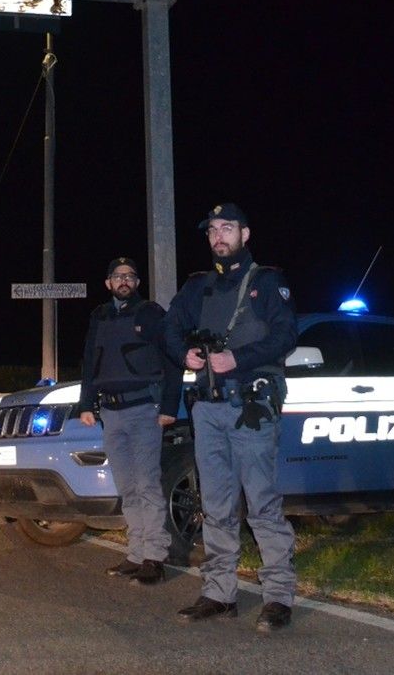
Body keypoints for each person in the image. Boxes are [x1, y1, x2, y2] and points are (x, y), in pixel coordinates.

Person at [163, 202, 298, 632]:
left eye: (227, 228)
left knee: (262, 504)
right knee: (215, 505)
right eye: (212, 231)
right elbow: (169, 326)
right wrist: (180, 350)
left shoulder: (266, 282)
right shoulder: (197, 288)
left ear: (245, 234)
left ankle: (278, 596)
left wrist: (236, 359)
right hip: (207, 409)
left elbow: (286, 336)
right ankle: (220, 593)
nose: (218, 236)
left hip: (249, 409)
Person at [76, 257, 175, 585]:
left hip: (144, 409)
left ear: (136, 283)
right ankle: (136, 554)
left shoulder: (151, 313)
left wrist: (169, 405)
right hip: (111, 414)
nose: (124, 280)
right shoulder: (99, 316)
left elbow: (172, 357)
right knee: (127, 487)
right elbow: (90, 362)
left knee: (147, 483)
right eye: (118, 276)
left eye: (130, 276)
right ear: (108, 283)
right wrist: (86, 404)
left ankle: (155, 556)